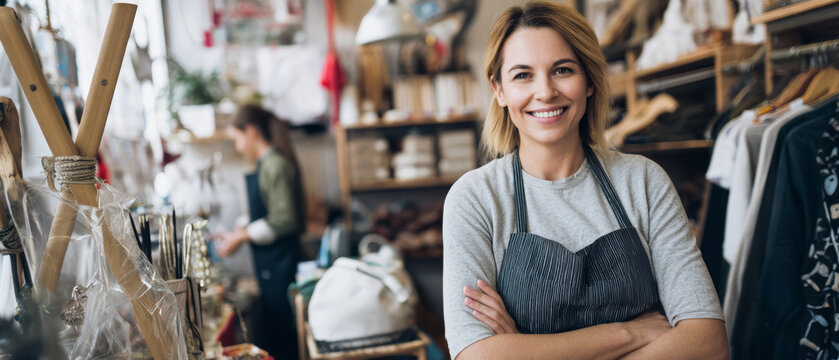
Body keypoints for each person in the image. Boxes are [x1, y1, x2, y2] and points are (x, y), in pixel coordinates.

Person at [442, 2, 728, 359]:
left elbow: (708, 343)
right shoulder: (476, 199)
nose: (545, 92)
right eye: (522, 75)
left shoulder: (643, 181)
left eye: (562, 70)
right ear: (499, 90)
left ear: (589, 81)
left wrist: (525, 348)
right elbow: (476, 355)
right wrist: (628, 333)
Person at [217, 104, 306, 358]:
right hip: (273, 269)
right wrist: (240, 229)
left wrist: (242, 236)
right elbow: (266, 213)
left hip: (282, 267)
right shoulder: (268, 164)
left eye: (237, 139)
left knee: (285, 341)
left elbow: (284, 219)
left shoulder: (275, 165)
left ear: (252, 131)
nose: (238, 147)